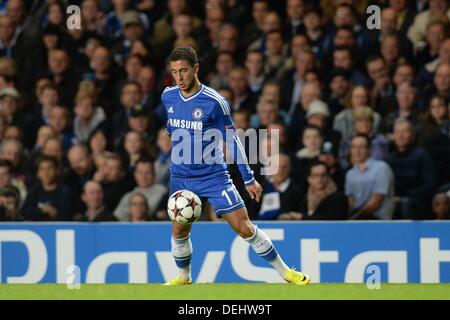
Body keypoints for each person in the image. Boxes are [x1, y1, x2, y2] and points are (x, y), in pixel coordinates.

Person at [162, 46, 310, 285]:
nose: (179, 78)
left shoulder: (215, 102)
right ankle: (184, 278)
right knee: (179, 230)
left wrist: (248, 177)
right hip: (181, 177)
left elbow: (233, 140)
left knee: (244, 227)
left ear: (196, 69)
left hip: (213, 176)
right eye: (174, 72)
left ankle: (286, 273)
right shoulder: (167, 96)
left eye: (184, 71)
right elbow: (172, 127)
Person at [345, 134, 395, 220]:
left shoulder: (381, 167)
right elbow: (350, 202)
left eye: (361, 147)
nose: (357, 150)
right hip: (356, 218)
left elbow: (376, 202)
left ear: (369, 150)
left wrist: (353, 219)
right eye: (354, 147)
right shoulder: (350, 174)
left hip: (377, 219)